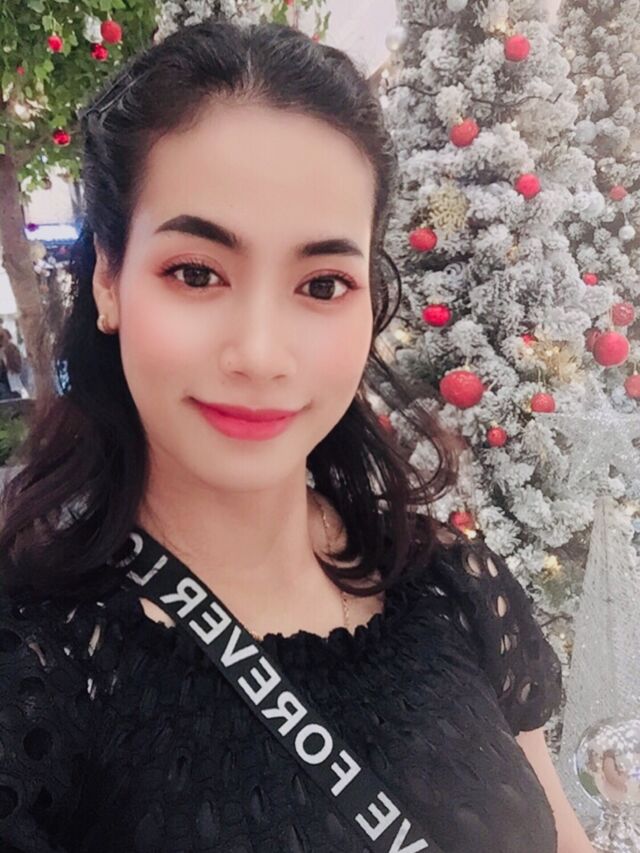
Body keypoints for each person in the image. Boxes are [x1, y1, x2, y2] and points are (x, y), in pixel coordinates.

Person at [0, 19, 591, 853]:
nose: (261, 354)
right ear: (108, 277)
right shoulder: (38, 669)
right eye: (196, 272)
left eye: (322, 284)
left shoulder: (450, 585)